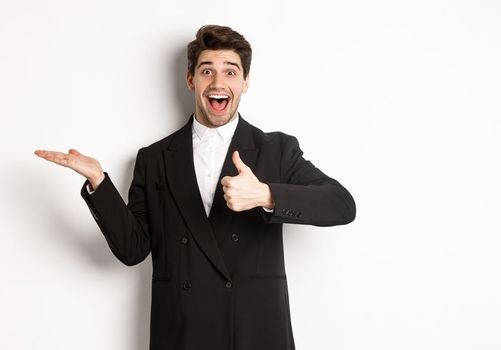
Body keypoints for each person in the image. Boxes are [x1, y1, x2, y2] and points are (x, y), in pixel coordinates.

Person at [35, 24, 355, 350]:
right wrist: (99, 183)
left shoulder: (277, 150)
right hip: (183, 332)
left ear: (245, 82)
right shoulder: (154, 159)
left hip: (255, 332)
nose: (219, 82)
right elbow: (133, 250)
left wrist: (265, 194)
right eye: (207, 71)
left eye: (230, 72)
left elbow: (342, 205)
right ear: (191, 80)